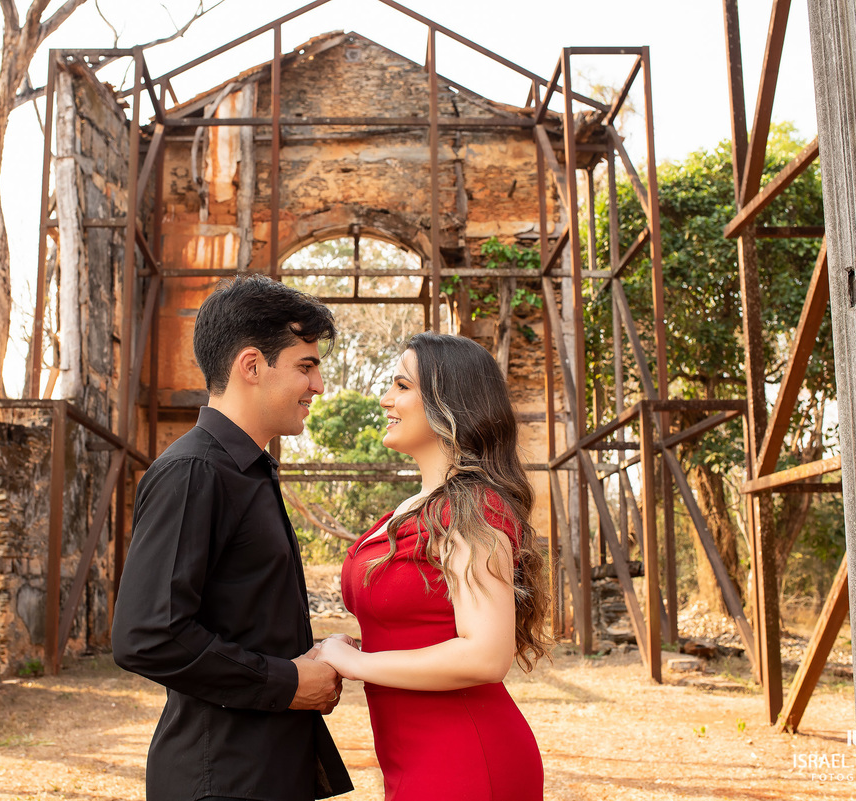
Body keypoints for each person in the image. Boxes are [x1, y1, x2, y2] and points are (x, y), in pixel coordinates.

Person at [111, 275, 353, 801]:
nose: (318, 386)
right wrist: (286, 683)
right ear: (251, 366)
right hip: (221, 777)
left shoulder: (248, 470)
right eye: (305, 367)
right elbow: (147, 635)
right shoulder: (195, 470)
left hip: (263, 768)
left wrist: (299, 659)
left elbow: (236, 618)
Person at [315, 332, 553, 801]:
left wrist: (358, 662)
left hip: (463, 755)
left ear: (450, 402)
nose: (386, 398)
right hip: (412, 754)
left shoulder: (472, 508)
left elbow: (486, 655)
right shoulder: (411, 508)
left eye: (402, 386)